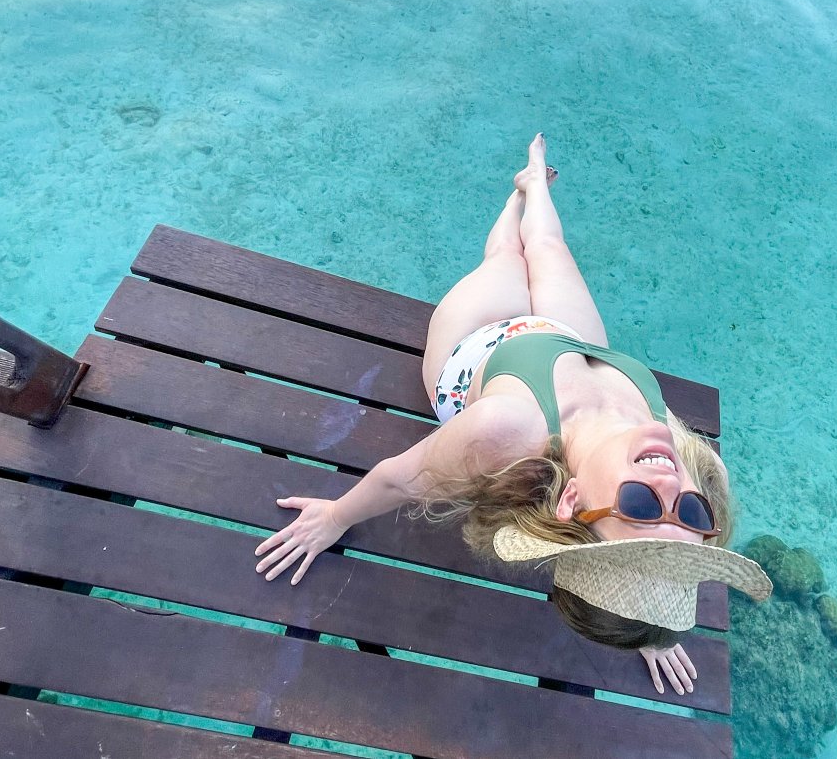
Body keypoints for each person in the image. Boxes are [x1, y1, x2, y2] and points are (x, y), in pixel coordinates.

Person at [254, 134, 773, 696]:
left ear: (572, 499)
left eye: (641, 504)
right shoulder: (676, 451)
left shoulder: (504, 433)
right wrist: (651, 621)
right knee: (548, 249)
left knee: (505, 258)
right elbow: (647, 548)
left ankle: (509, 207)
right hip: (575, 346)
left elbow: (399, 478)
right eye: (691, 513)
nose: (670, 481)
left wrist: (334, 518)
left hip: (476, 348)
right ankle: (530, 183)